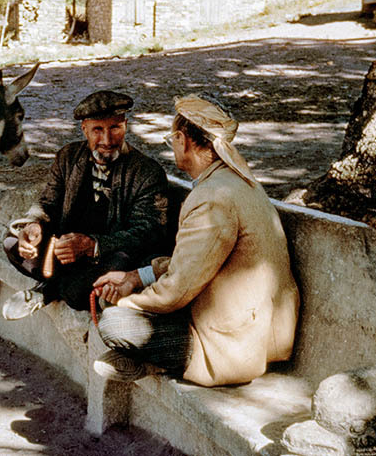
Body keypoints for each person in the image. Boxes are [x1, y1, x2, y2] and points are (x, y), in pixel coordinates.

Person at [91, 94, 299, 385]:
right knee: (119, 296)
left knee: (114, 322)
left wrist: (127, 303)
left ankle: (158, 363)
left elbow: (178, 289)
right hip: (251, 330)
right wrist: (136, 277)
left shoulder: (212, 198)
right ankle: (147, 361)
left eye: (171, 140)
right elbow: (190, 262)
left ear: (182, 140)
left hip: (231, 345)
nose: (173, 146)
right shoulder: (229, 183)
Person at [2, 90, 171, 319]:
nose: (107, 140)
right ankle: (60, 283)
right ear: (84, 129)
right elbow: (48, 202)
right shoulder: (68, 157)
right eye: (98, 130)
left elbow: (148, 233)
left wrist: (93, 245)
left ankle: (48, 290)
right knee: (12, 243)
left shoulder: (147, 172)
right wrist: (33, 226)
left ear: (125, 126)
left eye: (115, 128)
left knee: (80, 288)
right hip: (64, 252)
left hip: (109, 256)